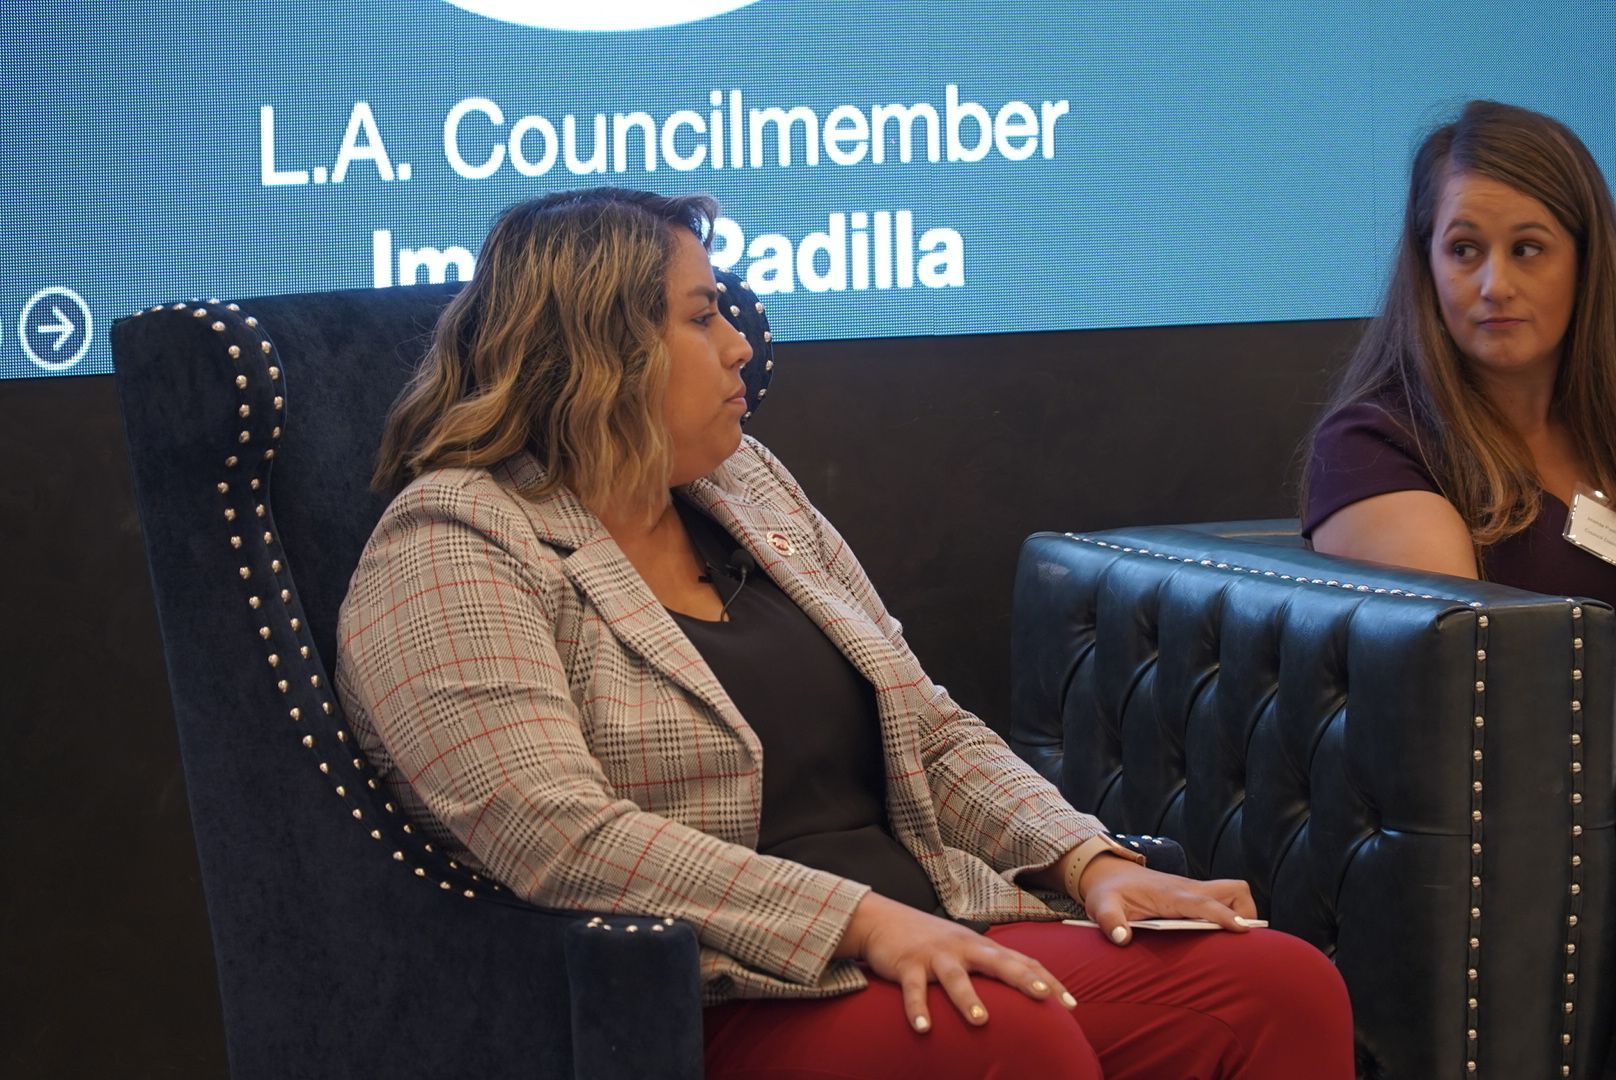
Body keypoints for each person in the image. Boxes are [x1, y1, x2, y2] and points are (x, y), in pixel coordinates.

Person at [336, 187, 1353, 1078]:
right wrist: (859, 924)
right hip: (718, 990)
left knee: (1276, 988)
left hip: (933, 921)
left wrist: (1089, 866)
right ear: (599, 352)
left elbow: (929, 728)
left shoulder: (745, 486)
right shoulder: (454, 540)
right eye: (702, 318)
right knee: (1003, 1040)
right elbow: (557, 834)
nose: (740, 344)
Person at [1304, 100, 1616, 606]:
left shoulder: (1600, 423)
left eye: (1527, 249)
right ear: (1428, 268)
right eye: (1465, 250)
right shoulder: (1372, 450)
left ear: (1586, 262)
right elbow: (1468, 666)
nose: (1496, 286)